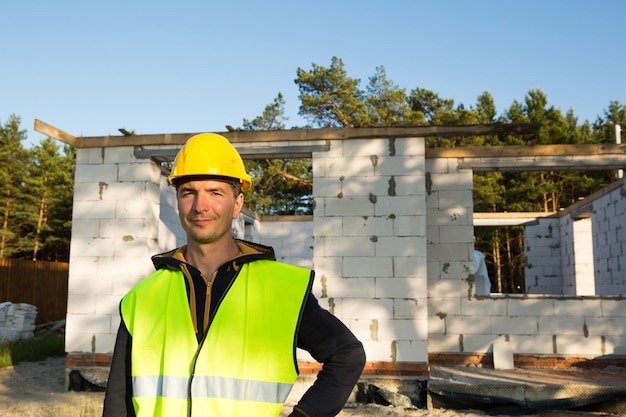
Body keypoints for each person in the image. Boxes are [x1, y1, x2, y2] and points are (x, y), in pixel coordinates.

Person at [102, 133, 366, 417]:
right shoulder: (142, 298)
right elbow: (119, 399)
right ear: (178, 201)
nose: (200, 206)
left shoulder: (282, 289)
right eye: (188, 192)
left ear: (237, 203)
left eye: (215, 193)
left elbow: (347, 355)